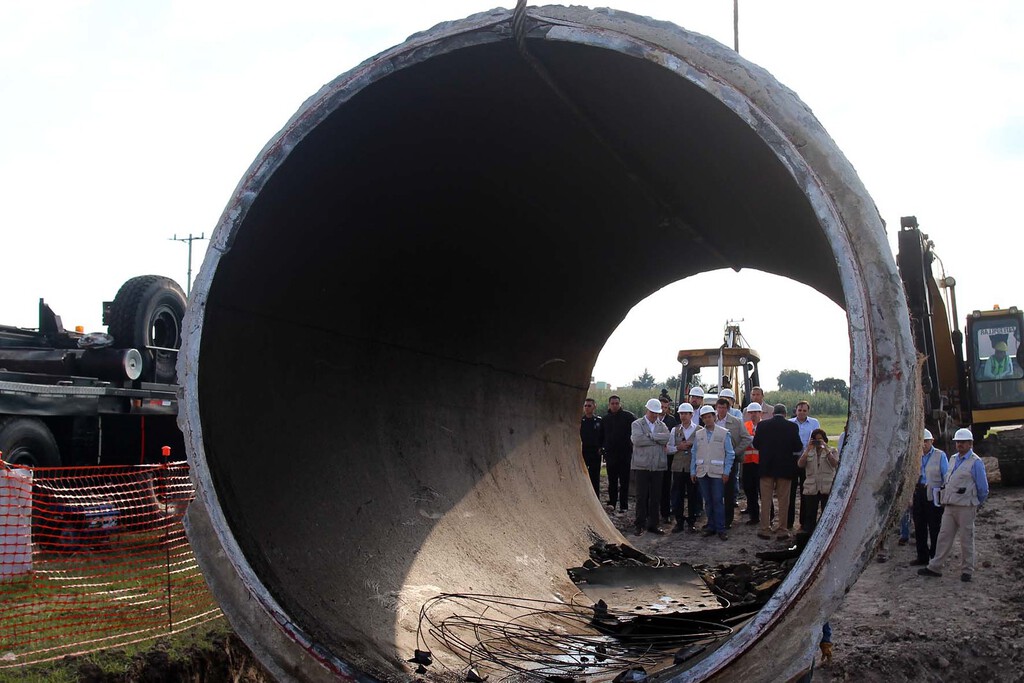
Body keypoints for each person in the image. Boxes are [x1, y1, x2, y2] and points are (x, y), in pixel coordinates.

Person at [918, 428, 989, 581]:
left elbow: (983, 488)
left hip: (966, 507)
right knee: (944, 536)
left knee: (966, 539)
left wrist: (976, 504)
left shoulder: (976, 462)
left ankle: (967, 570)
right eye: (957, 442)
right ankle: (935, 567)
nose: (959, 445)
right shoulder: (953, 459)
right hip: (950, 506)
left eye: (963, 442)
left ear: (970, 444)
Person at [753, 404, 804, 541]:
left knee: (765, 500)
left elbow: (756, 444)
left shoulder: (762, 426)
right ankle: (782, 529)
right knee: (783, 500)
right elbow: (798, 446)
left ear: (773, 413)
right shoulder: (792, 427)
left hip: (766, 467)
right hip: (785, 468)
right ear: (785, 413)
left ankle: (765, 528)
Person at [691, 405, 735, 540]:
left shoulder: (724, 433)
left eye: (709, 416)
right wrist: (693, 471)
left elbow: (730, 453)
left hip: (717, 473)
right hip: (702, 472)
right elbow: (694, 453)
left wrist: (726, 471)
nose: (707, 419)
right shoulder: (699, 434)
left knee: (717, 500)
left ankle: (721, 528)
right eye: (704, 417)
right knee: (708, 501)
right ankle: (711, 526)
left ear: (714, 417)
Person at [630, 398, 671, 536]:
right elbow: (637, 440)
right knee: (641, 496)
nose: (654, 415)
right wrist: (656, 440)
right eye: (652, 412)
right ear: (647, 410)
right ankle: (639, 524)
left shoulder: (662, 425)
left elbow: (667, 438)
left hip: (658, 466)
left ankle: (653, 524)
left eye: (656, 413)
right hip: (642, 465)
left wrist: (650, 436)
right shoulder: (637, 424)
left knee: (655, 496)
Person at [910, 429, 949, 566]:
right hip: (918, 493)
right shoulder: (915, 456)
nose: (923, 444)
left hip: (934, 494)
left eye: (926, 441)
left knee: (934, 527)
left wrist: (944, 493)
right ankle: (922, 557)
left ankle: (935, 557)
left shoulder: (940, 455)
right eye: (921, 441)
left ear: (932, 441)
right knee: (919, 526)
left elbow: (946, 476)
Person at [714, 398, 752, 528]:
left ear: (728, 408)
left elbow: (747, 438)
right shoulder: (711, 420)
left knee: (728, 492)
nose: (721, 410)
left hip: (730, 461)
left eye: (724, 408)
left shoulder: (736, 422)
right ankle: (714, 519)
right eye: (719, 407)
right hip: (714, 460)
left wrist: (735, 452)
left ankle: (727, 520)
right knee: (715, 491)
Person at [797, 428, 839, 535]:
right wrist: (807, 450)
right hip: (812, 487)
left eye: (820, 440)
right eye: (815, 440)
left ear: (824, 440)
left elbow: (835, 464)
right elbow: (800, 464)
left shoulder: (832, 450)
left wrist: (826, 450)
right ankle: (809, 533)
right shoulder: (809, 452)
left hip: (826, 486)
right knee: (810, 513)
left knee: (826, 513)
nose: (818, 442)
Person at [666, 403, 700, 532]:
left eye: (686, 413)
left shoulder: (699, 430)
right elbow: (668, 449)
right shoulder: (675, 430)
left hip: (692, 468)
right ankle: (679, 521)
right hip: (678, 468)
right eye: (681, 413)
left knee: (693, 495)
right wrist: (677, 448)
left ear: (691, 415)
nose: (683, 416)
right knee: (677, 495)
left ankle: (692, 521)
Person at [788, 401, 821, 530]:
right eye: (799, 410)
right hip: (793, 459)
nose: (802, 412)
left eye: (804, 410)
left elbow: (818, 439)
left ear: (808, 411)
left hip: (807, 460)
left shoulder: (814, 423)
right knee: (790, 491)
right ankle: (788, 521)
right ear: (795, 411)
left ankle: (804, 521)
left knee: (806, 490)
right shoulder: (790, 423)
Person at [602, 395, 636, 513]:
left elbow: (636, 431)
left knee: (624, 481)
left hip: (625, 455)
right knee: (612, 481)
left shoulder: (628, 417)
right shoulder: (605, 419)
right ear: (609, 405)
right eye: (612, 403)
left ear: (620, 404)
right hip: (611, 456)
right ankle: (612, 502)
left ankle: (623, 505)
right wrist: (603, 450)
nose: (615, 405)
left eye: (617, 403)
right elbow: (602, 436)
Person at [741, 403, 764, 526]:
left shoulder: (765, 426)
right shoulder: (745, 426)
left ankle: (768, 517)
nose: (753, 414)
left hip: (761, 463)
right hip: (748, 463)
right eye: (751, 412)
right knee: (749, 490)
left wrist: (751, 439)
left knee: (764, 491)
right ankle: (754, 516)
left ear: (761, 413)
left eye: (756, 412)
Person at [658, 396, 678, 522]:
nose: (663, 410)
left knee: (666, 485)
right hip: (653, 457)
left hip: (667, 458)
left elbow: (673, 439)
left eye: (666, 407)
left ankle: (665, 513)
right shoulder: (650, 420)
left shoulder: (672, 421)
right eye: (661, 407)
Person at [579, 398, 604, 497]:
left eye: (589, 406)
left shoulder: (599, 421)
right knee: (582, 474)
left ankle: (595, 496)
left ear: (594, 406)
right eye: (585, 406)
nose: (587, 408)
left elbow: (602, 436)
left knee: (594, 476)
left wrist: (601, 448)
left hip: (595, 452)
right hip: (584, 451)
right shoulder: (581, 421)